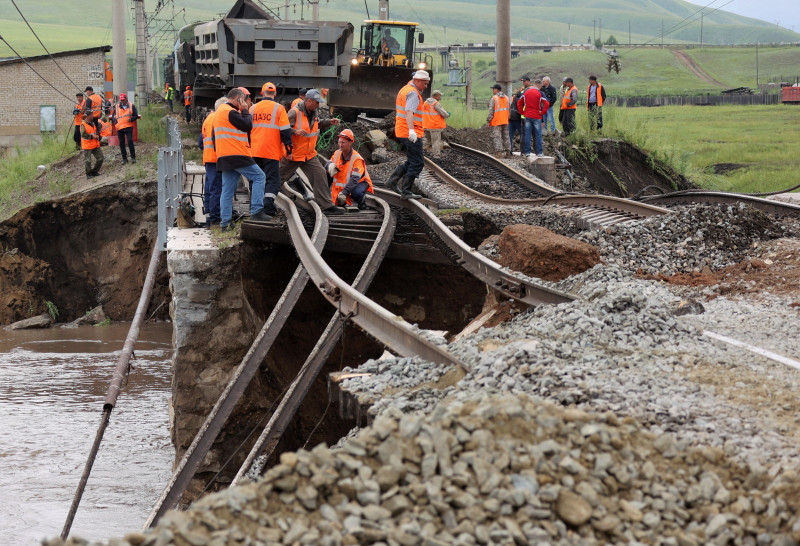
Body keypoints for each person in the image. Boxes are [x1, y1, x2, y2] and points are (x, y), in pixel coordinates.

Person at [213, 87, 271, 230]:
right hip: (237, 154)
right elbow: (247, 125)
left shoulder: (219, 112)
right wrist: (245, 110)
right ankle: (257, 211)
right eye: (243, 100)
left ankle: (225, 223)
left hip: (225, 155)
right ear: (238, 99)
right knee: (259, 177)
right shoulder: (230, 112)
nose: (245, 102)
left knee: (227, 190)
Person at [279, 88, 344, 214]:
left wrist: (328, 122)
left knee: (320, 174)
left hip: (309, 154)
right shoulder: (294, 113)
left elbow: (316, 124)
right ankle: (264, 199)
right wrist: (294, 131)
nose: (318, 105)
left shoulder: (313, 112)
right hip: (294, 154)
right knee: (277, 177)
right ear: (308, 101)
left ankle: (326, 206)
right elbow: (282, 128)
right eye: (316, 102)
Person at [251, 81, 293, 218]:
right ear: (275, 93)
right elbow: (286, 132)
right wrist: (289, 150)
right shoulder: (279, 109)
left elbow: (246, 129)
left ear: (262, 93)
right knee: (272, 180)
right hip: (271, 151)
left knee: (256, 179)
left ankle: (256, 205)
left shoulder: (252, 108)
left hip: (254, 150)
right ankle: (268, 207)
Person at [387, 69, 430, 199]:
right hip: (410, 133)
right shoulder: (413, 93)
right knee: (417, 162)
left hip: (402, 130)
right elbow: (409, 112)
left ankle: (392, 181)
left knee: (412, 161)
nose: (426, 86)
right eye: (425, 83)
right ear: (417, 81)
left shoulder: (405, 89)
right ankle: (406, 191)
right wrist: (411, 131)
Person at [327, 129, 374, 210]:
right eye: (339, 142)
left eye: (343, 143)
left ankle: (362, 202)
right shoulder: (337, 153)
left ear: (350, 142)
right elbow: (327, 164)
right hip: (344, 183)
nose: (340, 145)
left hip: (360, 182)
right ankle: (325, 195)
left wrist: (344, 193)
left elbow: (355, 179)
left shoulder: (357, 159)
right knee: (327, 172)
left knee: (356, 193)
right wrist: (329, 166)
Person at [200, 97, 227, 227]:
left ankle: (209, 214)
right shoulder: (219, 118)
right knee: (217, 189)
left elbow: (201, 141)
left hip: (208, 158)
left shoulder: (208, 118)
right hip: (217, 158)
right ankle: (215, 218)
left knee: (210, 188)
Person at [518, 79, 549, 157]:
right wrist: (542, 112)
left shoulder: (526, 92)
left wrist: (522, 112)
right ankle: (539, 152)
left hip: (527, 116)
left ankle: (527, 152)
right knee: (538, 134)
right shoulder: (540, 93)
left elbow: (519, 103)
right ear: (539, 85)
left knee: (527, 134)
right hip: (537, 117)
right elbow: (547, 103)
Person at [421, 89, 449, 158]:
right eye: (440, 96)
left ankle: (417, 150)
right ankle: (436, 156)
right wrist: (448, 114)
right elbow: (444, 114)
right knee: (436, 141)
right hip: (434, 126)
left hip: (426, 125)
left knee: (427, 140)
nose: (440, 97)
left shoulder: (425, 103)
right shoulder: (435, 104)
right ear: (437, 96)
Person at [112, 93, 138, 165]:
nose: (122, 101)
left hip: (128, 126)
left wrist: (131, 119)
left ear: (126, 99)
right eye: (121, 100)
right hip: (120, 127)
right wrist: (115, 122)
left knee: (130, 141)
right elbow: (114, 116)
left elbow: (135, 115)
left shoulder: (131, 106)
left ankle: (133, 157)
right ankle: (124, 159)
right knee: (121, 143)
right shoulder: (117, 107)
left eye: (123, 100)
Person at [487, 83, 510, 158]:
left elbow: (491, 111)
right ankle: (508, 152)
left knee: (497, 137)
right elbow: (509, 109)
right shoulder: (507, 98)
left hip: (496, 121)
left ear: (496, 89)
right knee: (506, 136)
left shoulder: (494, 98)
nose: (493, 90)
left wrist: (489, 121)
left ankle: (499, 153)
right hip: (505, 120)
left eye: (493, 89)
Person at [80, 111, 103, 178]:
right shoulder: (83, 124)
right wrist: (93, 137)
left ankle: (94, 171)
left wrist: (97, 136)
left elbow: (94, 132)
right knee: (88, 160)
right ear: (88, 116)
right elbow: (83, 135)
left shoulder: (92, 123)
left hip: (95, 144)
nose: (93, 116)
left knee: (100, 158)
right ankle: (89, 174)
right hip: (87, 145)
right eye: (91, 115)